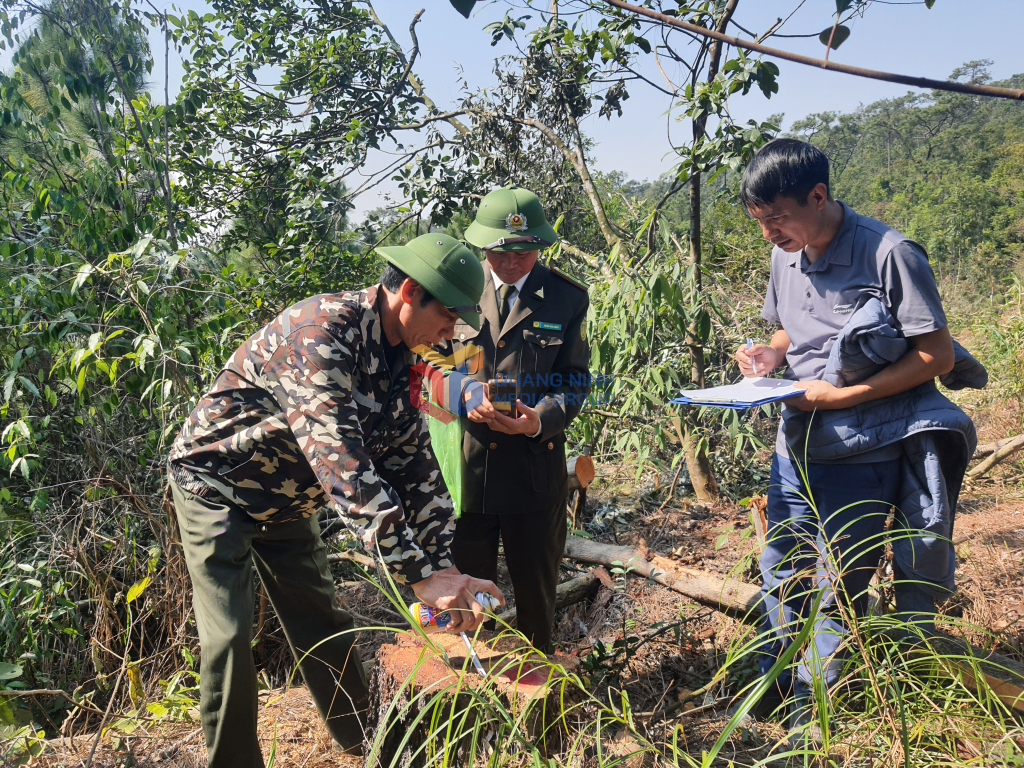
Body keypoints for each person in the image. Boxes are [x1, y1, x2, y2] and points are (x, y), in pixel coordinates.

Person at [167, 233, 504, 768]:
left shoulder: (403, 357)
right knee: (229, 640)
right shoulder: (321, 332)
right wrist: (418, 574)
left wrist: (447, 569)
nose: (453, 331)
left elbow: (415, 467)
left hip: (288, 501)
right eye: (449, 315)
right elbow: (344, 467)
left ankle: (372, 748)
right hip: (219, 489)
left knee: (324, 624)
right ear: (410, 292)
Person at [734, 139, 980, 740]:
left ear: (818, 196)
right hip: (796, 443)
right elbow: (790, 330)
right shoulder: (783, 256)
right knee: (779, 564)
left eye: (778, 218)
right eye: (760, 222)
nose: (770, 234)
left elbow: (936, 354)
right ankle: (773, 682)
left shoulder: (889, 254)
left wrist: (843, 397)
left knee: (839, 582)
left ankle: (812, 721)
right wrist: (772, 353)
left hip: (862, 448)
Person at [439, 187, 591, 653]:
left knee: (535, 596)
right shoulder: (454, 291)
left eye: (523, 252)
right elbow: (425, 371)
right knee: (460, 597)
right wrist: (465, 395)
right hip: (467, 471)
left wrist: (539, 420)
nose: (510, 263)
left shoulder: (565, 298)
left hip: (533, 469)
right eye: (500, 252)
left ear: (540, 246)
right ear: (482, 246)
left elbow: (576, 380)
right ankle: (467, 690)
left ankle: (539, 699)